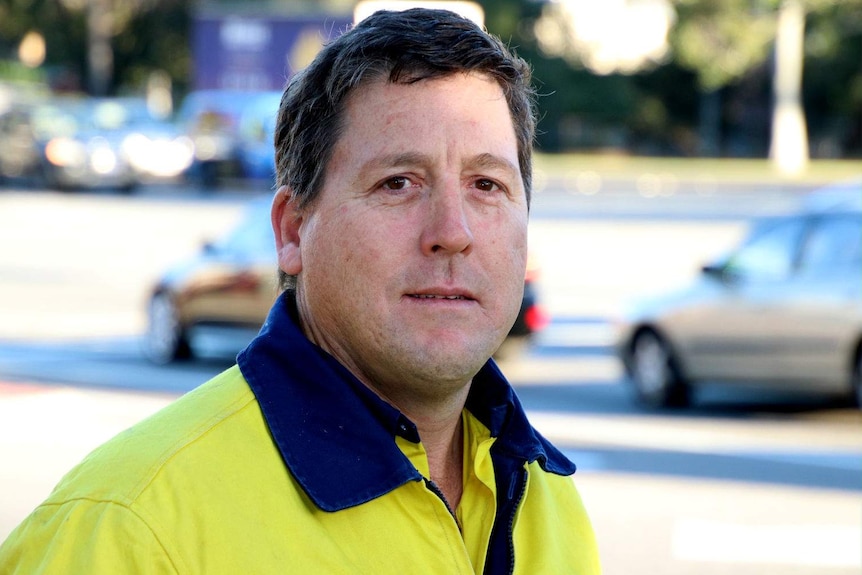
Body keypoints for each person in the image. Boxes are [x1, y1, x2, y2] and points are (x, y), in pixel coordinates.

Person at [0, 8, 600, 574]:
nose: (453, 233)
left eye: (487, 185)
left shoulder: (547, 497)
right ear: (292, 230)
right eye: (399, 183)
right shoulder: (128, 527)